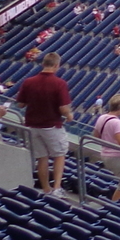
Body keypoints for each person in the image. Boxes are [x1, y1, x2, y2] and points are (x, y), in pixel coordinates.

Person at [15, 51, 73, 196]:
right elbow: (63, 108)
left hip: (32, 125)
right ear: (56, 65)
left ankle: (46, 188)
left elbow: (20, 104)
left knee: (42, 158)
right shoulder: (60, 83)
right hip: (51, 125)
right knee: (59, 155)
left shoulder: (28, 81)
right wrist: (69, 115)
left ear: (43, 64)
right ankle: (57, 188)